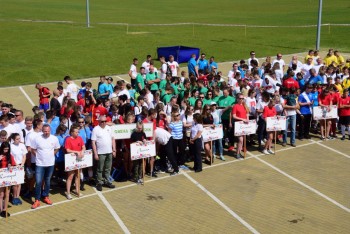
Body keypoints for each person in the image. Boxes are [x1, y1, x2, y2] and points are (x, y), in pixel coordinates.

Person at [31, 124, 60, 209]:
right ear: (42, 131)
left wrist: (52, 154)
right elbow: (33, 149)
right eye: (44, 131)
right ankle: (37, 200)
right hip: (40, 164)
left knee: (47, 181)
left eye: (48, 131)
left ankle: (46, 196)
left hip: (50, 163)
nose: (46, 133)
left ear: (50, 130)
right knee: (39, 182)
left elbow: (57, 148)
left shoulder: (54, 138)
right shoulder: (37, 138)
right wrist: (37, 156)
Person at [91, 116, 116, 191]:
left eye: (105, 121)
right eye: (102, 121)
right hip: (101, 152)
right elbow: (93, 142)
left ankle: (107, 181)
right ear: (99, 121)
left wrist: (114, 149)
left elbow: (113, 139)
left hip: (109, 151)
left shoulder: (109, 128)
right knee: (100, 168)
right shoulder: (96, 129)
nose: (104, 123)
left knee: (108, 168)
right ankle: (99, 182)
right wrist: (95, 153)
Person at [64, 126, 86, 200]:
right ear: (72, 132)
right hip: (71, 159)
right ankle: (68, 192)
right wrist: (76, 152)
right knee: (70, 176)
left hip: (79, 159)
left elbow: (83, 147)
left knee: (78, 175)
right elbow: (67, 150)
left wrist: (82, 151)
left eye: (78, 132)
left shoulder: (80, 138)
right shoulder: (68, 139)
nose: (77, 133)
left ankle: (77, 190)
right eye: (76, 132)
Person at [10, 133, 27, 205]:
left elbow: (24, 156)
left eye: (19, 138)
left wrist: (22, 164)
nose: (19, 140)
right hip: (14, 166)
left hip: (21, 165)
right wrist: (16, 165)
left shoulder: (22, 145)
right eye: (17, 139)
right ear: (13, 139)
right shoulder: (11, 146)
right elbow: (11, 157)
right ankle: (14, 197)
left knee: (19, 182)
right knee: (15, 183)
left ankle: (17, 196)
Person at [230, 93, 249, 159]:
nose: (241, 100)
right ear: (237, 99)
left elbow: (247, 114)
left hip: (244, 125)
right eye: (240, 98)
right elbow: (234, 116)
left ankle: (239, 152)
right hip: (238, 125)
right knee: (240, 140)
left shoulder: (244, 105)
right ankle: (238, 153)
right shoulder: (235, 106)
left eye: (242, 98)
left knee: (242, 140)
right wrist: (242, 119)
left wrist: (247, 119)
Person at [0, 142, 16, 217]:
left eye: (7, 149)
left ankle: (5, 209)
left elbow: (14, 166)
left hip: (8, 178)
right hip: (1, 177)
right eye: (4, 149)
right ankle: (0, 209)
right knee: (1, 194)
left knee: (7, 194)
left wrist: (11, 167)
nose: (6, 151)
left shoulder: (10, 156)